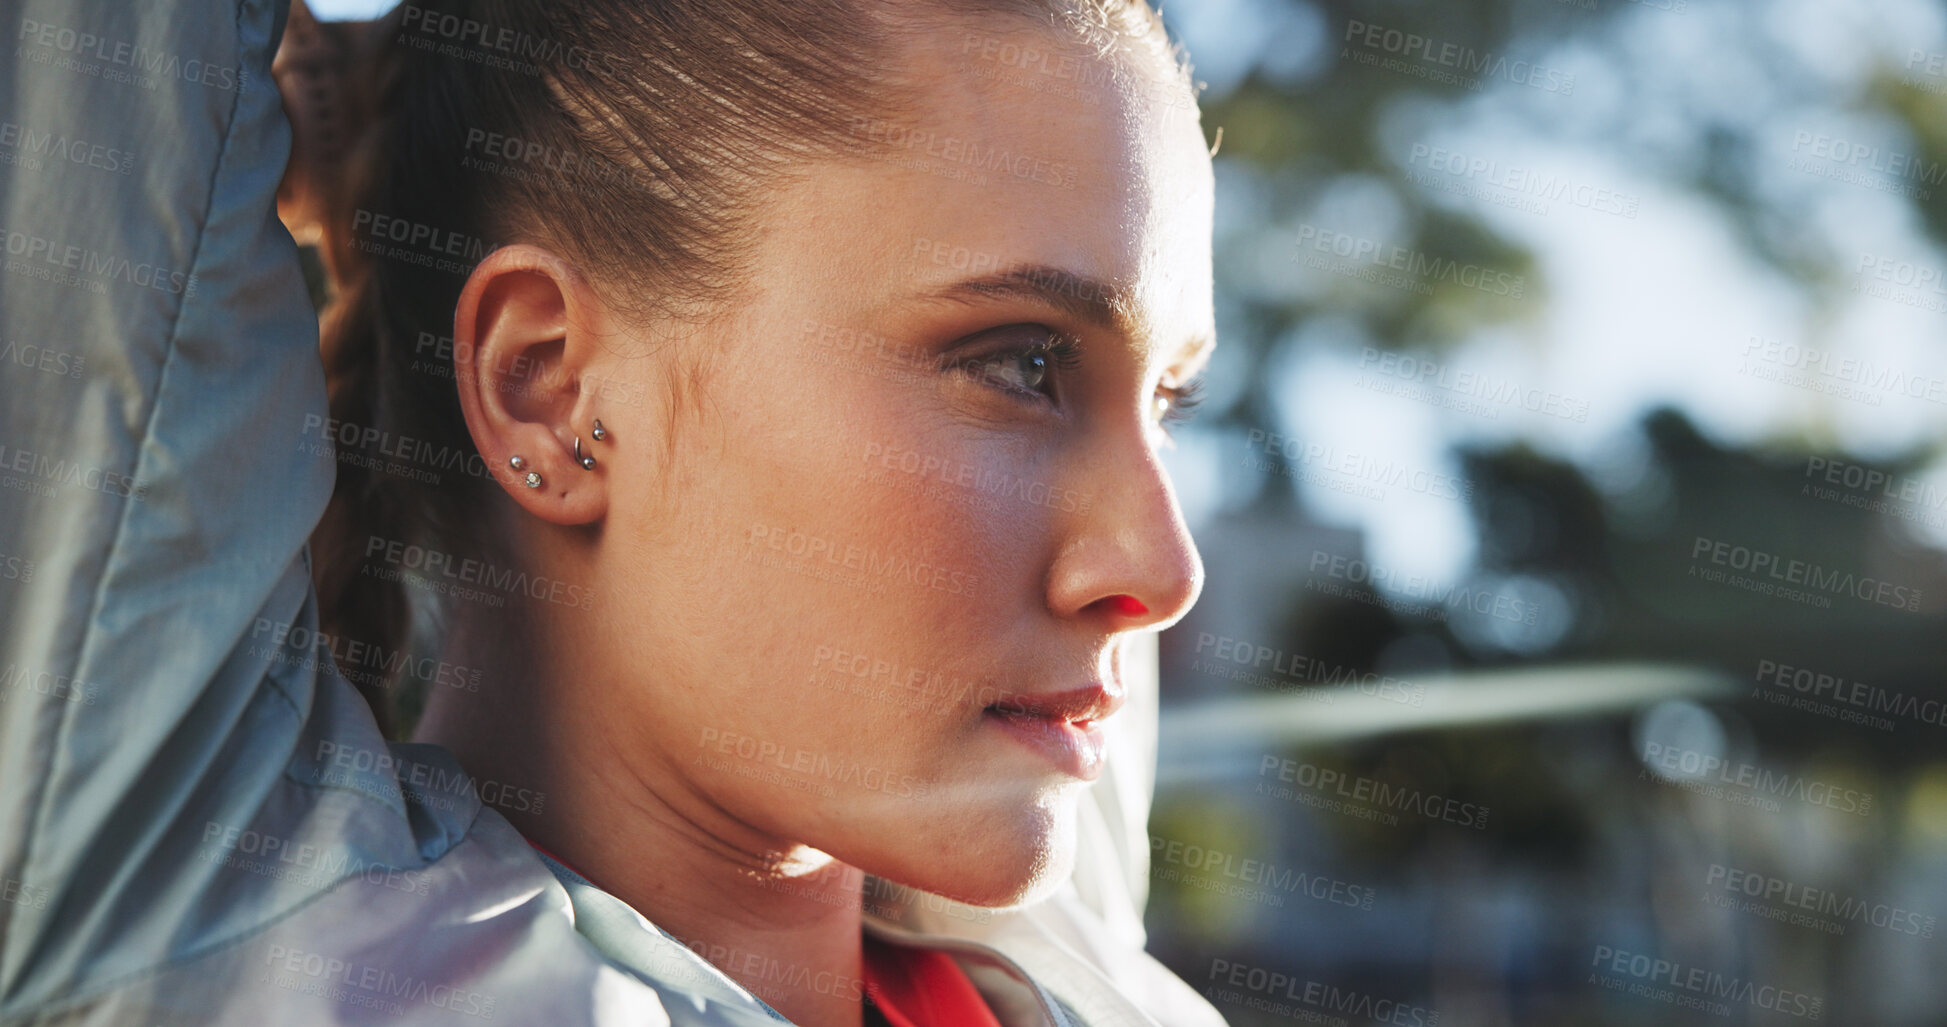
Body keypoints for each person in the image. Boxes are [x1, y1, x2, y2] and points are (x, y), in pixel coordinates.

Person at [0, 0, 1223, 1023]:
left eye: (1168, 399)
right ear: (548, 386)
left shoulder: (1073, 977)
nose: (1164, 572)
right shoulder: (206, 918)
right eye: (1022, 363)